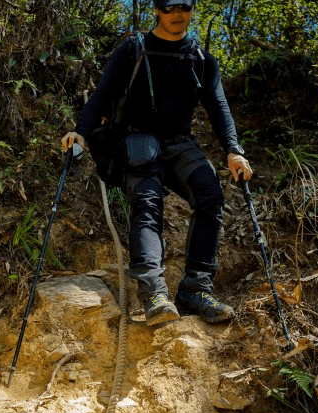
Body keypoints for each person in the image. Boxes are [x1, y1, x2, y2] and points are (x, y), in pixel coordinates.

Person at [61, 0, 252, 325]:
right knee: (147, 203)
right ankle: (154, 294)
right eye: (169, 6)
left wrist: (233, 149)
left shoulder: (201, 59)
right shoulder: (134, 49)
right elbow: (102, 93)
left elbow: (218, 105)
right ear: (157, 10)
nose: (177, 14)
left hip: (179, 141)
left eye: (184, 6)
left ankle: (195, 289)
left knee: (210, 193)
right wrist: (79, 133)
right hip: (137, 139)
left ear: (193, 8)